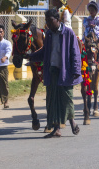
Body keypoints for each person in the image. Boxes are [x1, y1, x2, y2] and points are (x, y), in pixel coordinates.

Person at [30, 9, 82, 138]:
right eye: (46, 21)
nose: (47, 23)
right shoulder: (48, 34)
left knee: (66, 98)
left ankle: (72, 121)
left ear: (58, 20)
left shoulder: (68, 33)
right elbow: (44, 52)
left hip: (66, 71)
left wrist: (76, 70)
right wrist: (30, 56)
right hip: (51, 71)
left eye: (50, 20)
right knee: (52, 100)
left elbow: (75, 53)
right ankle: (56, 129)